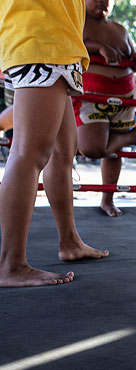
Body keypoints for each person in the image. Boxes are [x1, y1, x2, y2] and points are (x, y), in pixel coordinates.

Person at [0, 0, 109, 288]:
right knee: (27, 153)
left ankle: (70, 242)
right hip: (41, 38)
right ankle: (10, 264)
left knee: (62, 154)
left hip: (59, 43)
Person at [74, 0, 136, 217]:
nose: (102, 1)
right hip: (91, 93)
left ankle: (107, 199)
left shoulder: (119, 29)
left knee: (114, 153)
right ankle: (132, 137)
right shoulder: (76, 22)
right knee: (92, 147)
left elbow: (133, 55)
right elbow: (72, 46)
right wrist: (97, 47)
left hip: (124, 94)